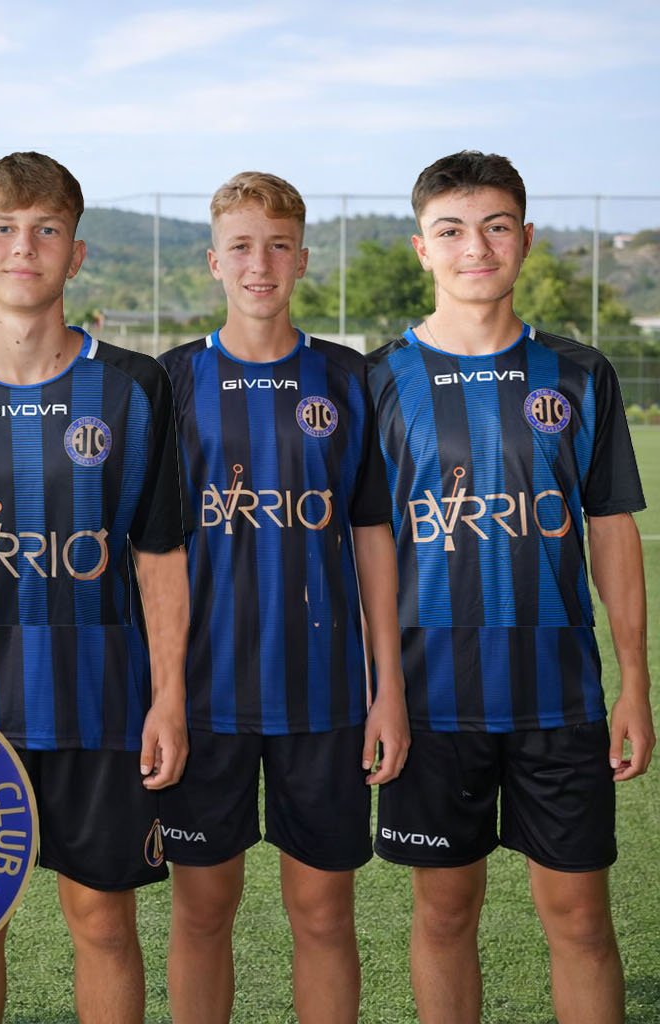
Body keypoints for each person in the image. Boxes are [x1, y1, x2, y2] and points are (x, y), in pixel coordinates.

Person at [368, 150, 653, 1024]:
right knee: (444, 915)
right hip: (430, 699)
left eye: (495, 228)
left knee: (581, 920)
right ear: (422, 248)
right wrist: (378, 692)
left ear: (525, 239)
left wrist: (635, 682)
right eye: (452, 230)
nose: (476, 248)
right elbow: (364, 549)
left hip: (559, 699)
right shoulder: (378, 380)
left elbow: (611, 530)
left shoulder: (579, 373)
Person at [0, 151, 191, 1024]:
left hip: (100, 705)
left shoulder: (135, 386)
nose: (23, 248)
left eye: (46, 230)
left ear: (76, 254)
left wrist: (170, 699)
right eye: (3, 229)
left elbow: (159, 557)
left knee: (103, 922)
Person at [156, 170, 409, 1023]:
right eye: (240, 247)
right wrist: (160, 694)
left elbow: (372, 537)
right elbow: (153, 553)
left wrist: (387, 688)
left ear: (302, 259)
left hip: (325, 698)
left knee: (325, 914)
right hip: (205, 698)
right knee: (201, 912)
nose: (259, 264)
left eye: (277, 246)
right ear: (213, 262)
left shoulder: (348, 378)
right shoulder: (171, 381)